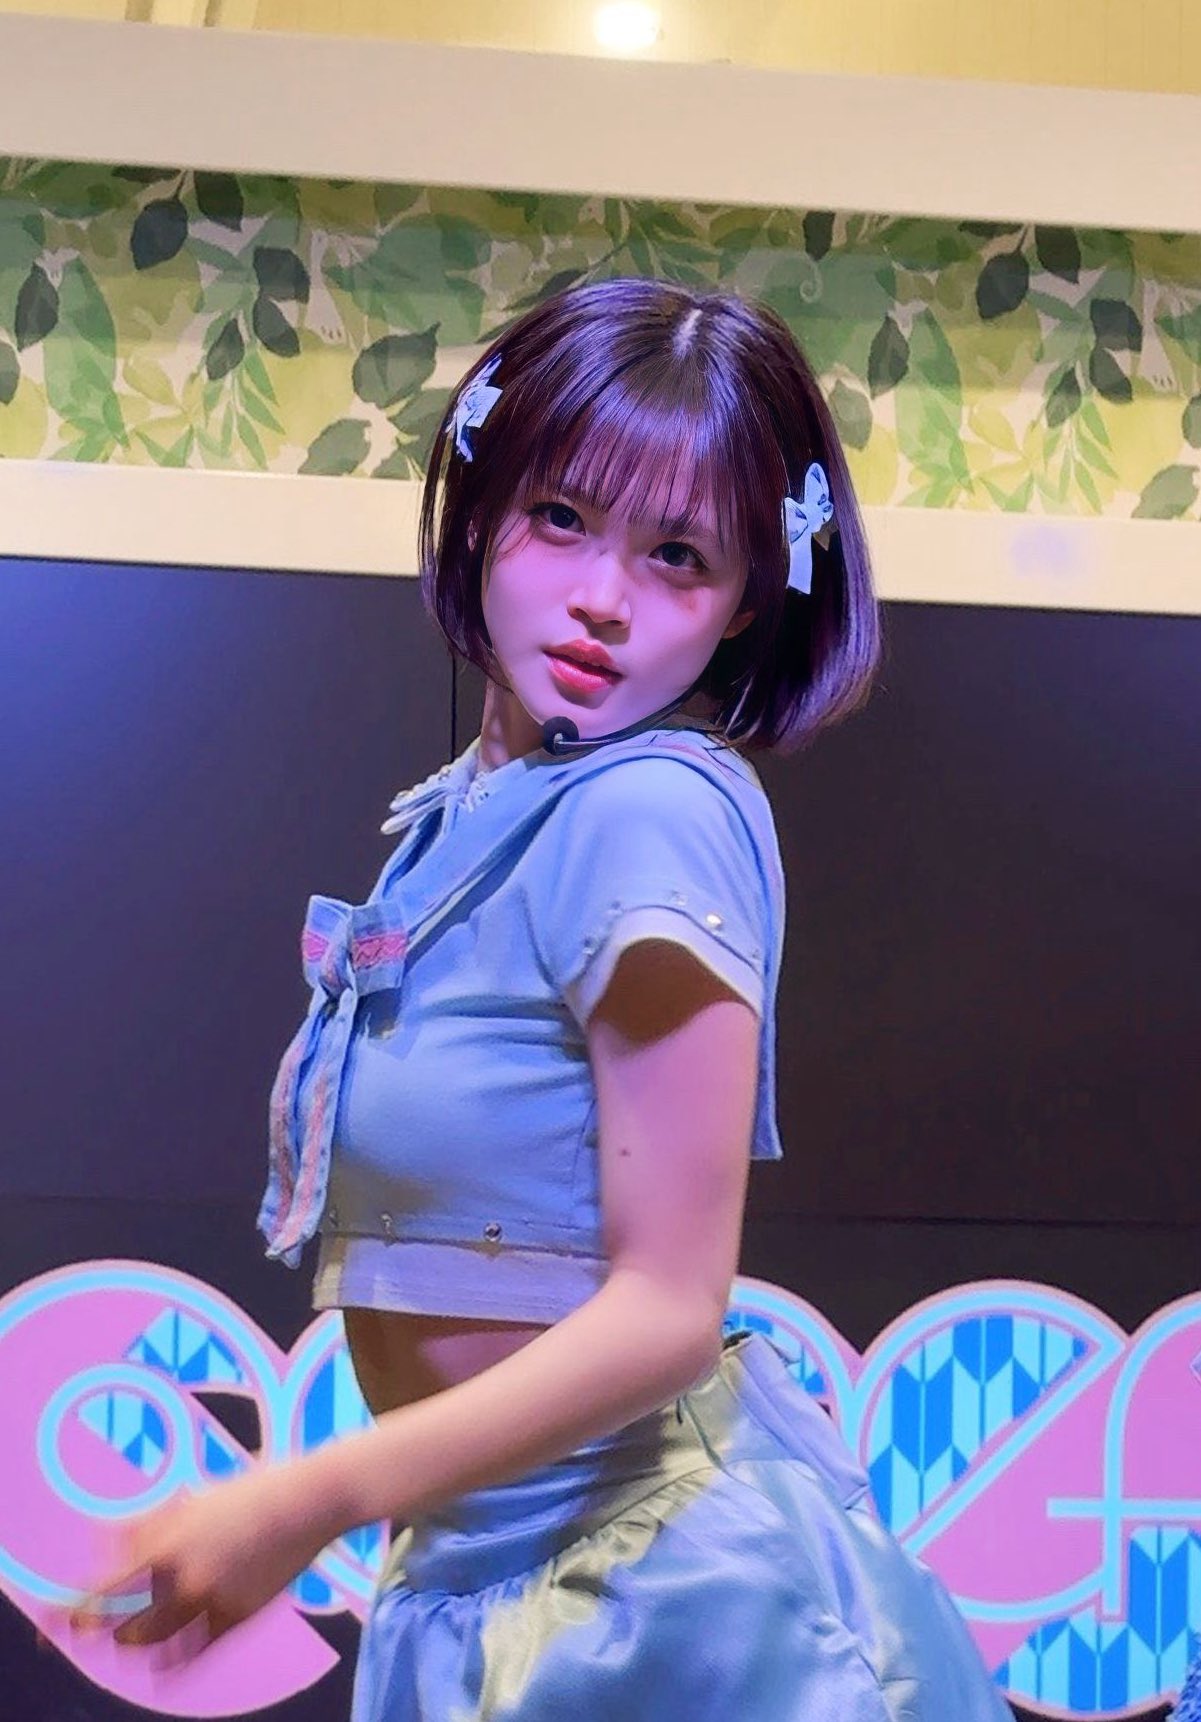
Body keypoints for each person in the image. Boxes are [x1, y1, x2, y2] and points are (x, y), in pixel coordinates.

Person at [73, 277, 1010, 1719]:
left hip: (659, 1603)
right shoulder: (473, 808)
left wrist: (304, 1498)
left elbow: (669, 1310)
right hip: (489, 1576)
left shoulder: (651, 805)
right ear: (479, 504)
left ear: (747, 599)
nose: (602, 599)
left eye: (678, 555)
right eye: (561, 517)